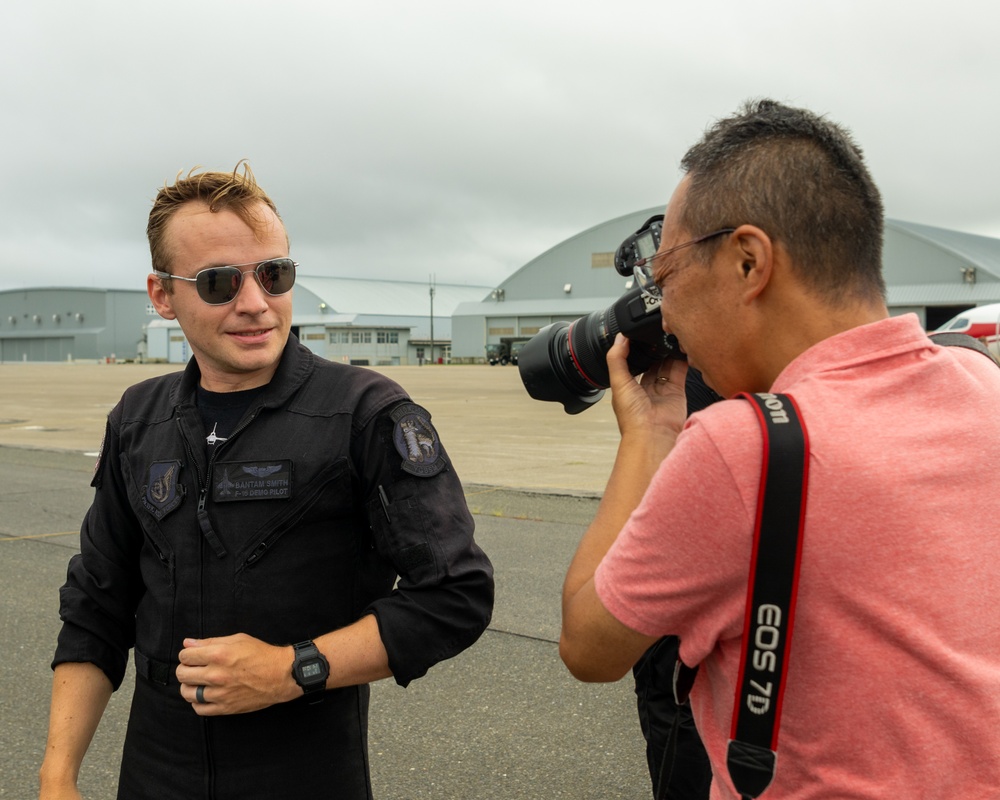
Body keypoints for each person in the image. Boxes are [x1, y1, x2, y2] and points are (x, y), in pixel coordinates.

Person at [560, 99, 1000, 798]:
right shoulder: (983, 387)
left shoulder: (744, 449)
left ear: (747, 262)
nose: (663, 313)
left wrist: (649, 435)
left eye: (666, 276)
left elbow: (587, 645)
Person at [39, 163, 494, 799]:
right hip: (153, 778)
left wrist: (291, 668)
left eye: (274, 275)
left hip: (307, 777)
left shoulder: (366, 413)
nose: (254, 303)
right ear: (163, 295)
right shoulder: (136, 420)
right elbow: (97, 604)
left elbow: (455, 593)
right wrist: (57, 778)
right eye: (220, 283)